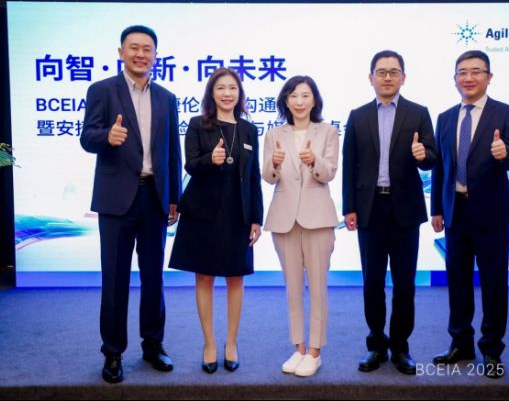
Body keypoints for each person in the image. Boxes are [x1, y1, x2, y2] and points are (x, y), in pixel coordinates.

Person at [80, 25, 182, 384]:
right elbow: (87, 137)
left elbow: (172, 151)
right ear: (121, 52)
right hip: (116, 200)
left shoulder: (167, 97)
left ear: (156, 55)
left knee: (154, 278)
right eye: (134, 47)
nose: (141, 54)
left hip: (154, 197)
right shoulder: (102, 90)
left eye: (147, 49)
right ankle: (112, 353)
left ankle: (153, 345)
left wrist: (174, 198)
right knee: (115, 278)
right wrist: (106, 136)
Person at [430, 50, 509, 379]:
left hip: (491, 214)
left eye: (476, 71)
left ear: (489, 77)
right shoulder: (445, 117)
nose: (468, 78)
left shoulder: (506, 113)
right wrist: (437, 209)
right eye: (462, 72)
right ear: (455, 78)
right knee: (457, 283)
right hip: (455, 212)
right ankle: (461, 344)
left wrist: (505, 152)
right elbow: (441, 167)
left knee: (494, 284)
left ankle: (492, 350)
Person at [342, 50, 436, 375]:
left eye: (393, 72)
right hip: (370, 209)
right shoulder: (358, 116)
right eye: (381, 72)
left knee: (405, 283)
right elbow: (350, 164)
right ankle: (376, 344)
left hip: (405, 209)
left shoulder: (418, 113)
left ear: (403, 78)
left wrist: (423, 155)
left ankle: (401, 347)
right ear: (370, 78)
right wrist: (349, 207)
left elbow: (432, 158)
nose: (387, 77)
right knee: (372, 282)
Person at [169, 68, 263, 374]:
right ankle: (209, 343)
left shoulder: (249, 130)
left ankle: (231, 344)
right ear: (212, 93)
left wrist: (256, 218)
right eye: (221, 88)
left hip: (238, 214)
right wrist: (210, 160)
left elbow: (254, 177)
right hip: (203, 213)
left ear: (240, 93)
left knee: (236, 278)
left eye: (232, 88)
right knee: (204, 277)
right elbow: (190, 164)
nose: (227, 93)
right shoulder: (198, 124)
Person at [262, 76, 339, 377]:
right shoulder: (274, 134)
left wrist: (313, 159)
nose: (299, 101)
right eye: (293, 96)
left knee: (317, 287)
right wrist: (274, 163)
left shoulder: (328, 131)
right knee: (292, 287)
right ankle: (299, 347)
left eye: (305, 95)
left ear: (314, 100)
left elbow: (329, 172)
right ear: (286, 100)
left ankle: (315, 351)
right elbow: (268, 176)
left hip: (318, 218)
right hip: (284, 219)